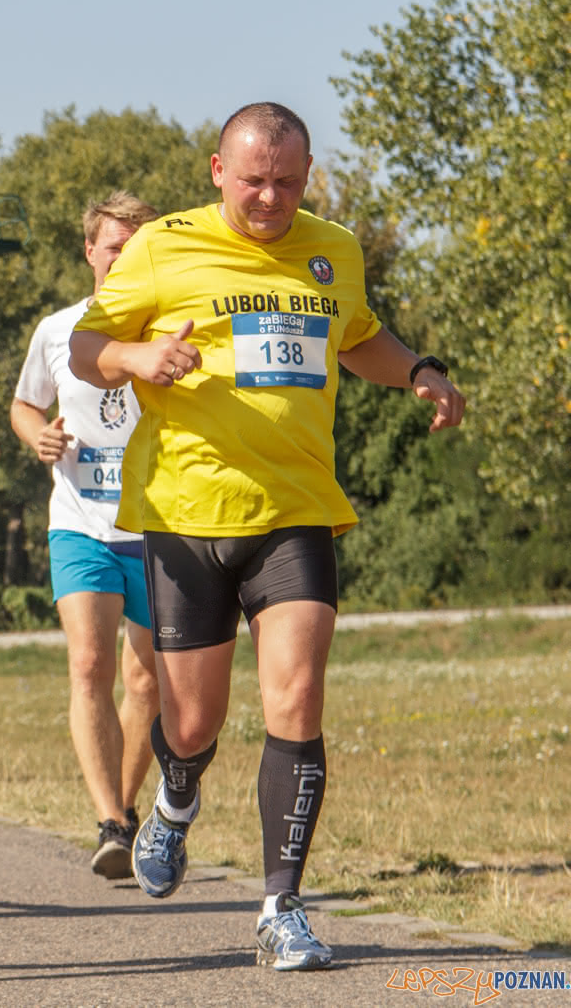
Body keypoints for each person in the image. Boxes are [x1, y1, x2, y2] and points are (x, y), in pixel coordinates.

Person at [70, 102, 466, 971]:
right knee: (194, 718)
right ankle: (176, 797)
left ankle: (281, 905)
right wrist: (136, 359)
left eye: (288, 182)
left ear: (308, 174)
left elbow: (357, 338)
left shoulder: (333, 250)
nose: (270, 198)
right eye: (253, 181)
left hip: (296, 508)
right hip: (184, 517)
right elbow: (87, 344)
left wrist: (421, 372)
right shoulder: (162, 246)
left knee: (296, 697)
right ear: (218, 171)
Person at [10, 192, 162, 879]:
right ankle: (109, 817)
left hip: (156, 524)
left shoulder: (167, 328)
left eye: (135, 244)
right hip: (79, 522)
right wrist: (35, 435)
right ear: (90, 251)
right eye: (113, 245)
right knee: (88, 664)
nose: (122, 255)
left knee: (147, 676)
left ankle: (125, 813)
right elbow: (22, 404)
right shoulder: (57, 329)